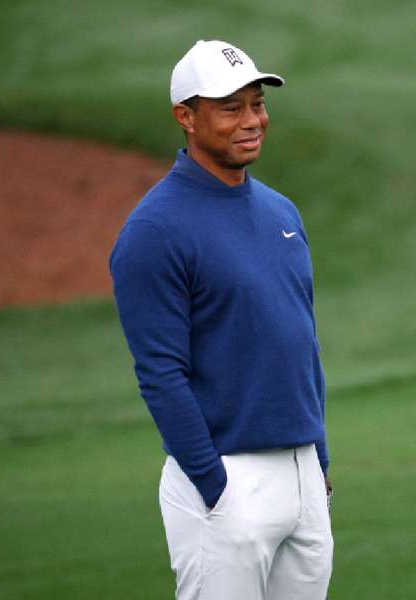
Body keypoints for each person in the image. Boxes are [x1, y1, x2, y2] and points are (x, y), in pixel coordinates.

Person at [109, 40, 332, 600]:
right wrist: (213, 484)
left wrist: (318, 459)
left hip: (303, 475)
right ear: (185, 117)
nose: (252, 120)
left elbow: (301, 343)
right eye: (230, 108)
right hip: (224, 478)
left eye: (256, 104)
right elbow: (160, 373)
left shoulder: (283, 212)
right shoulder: (154, 231)